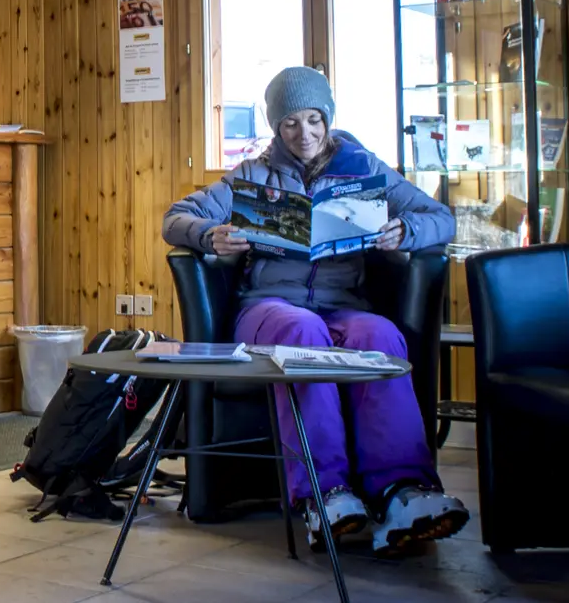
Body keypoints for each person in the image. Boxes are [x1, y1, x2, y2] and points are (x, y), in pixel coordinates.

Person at [163, 66, 466, 556]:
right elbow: (175, 217)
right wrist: (209, 235)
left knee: (382, 336)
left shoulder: (363, 167)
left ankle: (404, 494)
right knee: (302, 333)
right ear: (275, 126)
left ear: (327, 118)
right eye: (289, 124)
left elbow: (440, 217)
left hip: (344, 306)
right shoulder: (253, 175)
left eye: (312, 120)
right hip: (270, 308)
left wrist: (404, 232)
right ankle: (323, 495)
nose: (303, 134)